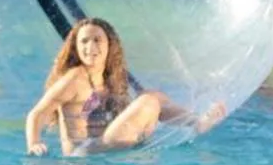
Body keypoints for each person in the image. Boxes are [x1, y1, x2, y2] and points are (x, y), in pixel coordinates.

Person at [24, 17, 224, 156]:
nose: (90, 47)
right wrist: (34, 143)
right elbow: (37, 113)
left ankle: (196, 122)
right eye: (84, 41)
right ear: (75, 47)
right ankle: (196, 123)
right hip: (85, 153)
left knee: (153, 96)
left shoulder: (109, 78)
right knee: (148, 100)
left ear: (110, 46)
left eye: (97, 40)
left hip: (104, 145)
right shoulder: (74, 79)